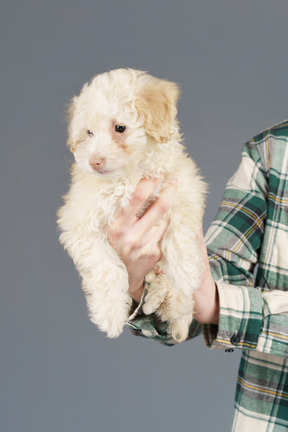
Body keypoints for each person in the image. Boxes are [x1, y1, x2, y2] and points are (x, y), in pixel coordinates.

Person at [108, 120, 288, 431]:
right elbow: (209, 282)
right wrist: (145, 280)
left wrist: (220, 304)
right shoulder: (273, 151)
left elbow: (216, 300)